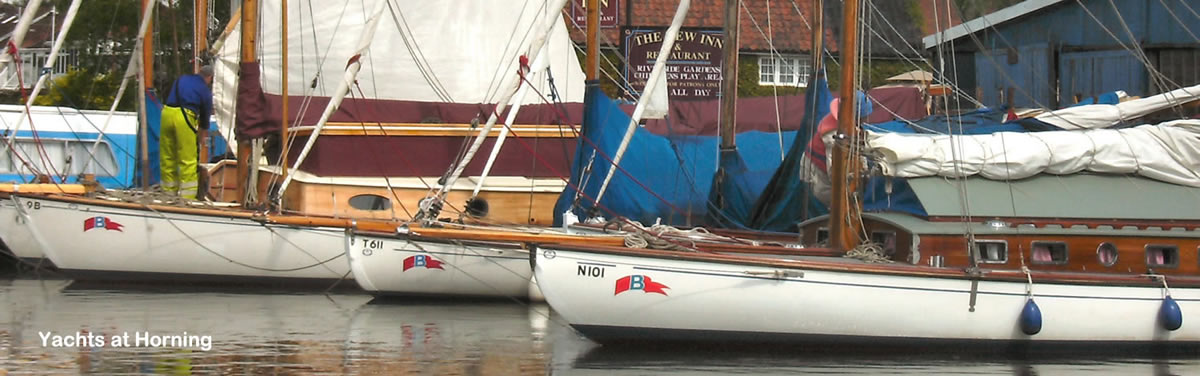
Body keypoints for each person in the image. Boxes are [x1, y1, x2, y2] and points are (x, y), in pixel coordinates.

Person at [160, 65, 213, 200]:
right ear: (209, 78)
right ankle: (187, 198)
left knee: (167, 157)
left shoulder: (182, 79)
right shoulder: (204, 90)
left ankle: (168, 193)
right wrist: (202, 134)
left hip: (167, 113)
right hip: (184, 116)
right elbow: (205, 115)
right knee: (188, 159)